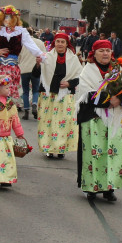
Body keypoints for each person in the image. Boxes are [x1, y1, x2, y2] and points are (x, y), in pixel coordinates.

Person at [75, 39, 122, 202]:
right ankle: (91, 187)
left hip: (115, 118)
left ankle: (109, 188)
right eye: (101, 51)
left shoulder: (119, 70)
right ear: (94, 54)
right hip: (93, 119)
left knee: (114, 153)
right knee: (95, 153)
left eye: (107, 50)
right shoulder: (88, 71)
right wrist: (108, 100)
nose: (105, 53)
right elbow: (87, 93)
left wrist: (121, 99)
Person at [37, 31, 81, 159]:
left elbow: (80, 77)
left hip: (65, 96)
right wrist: (38, 64)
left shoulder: (73, 59)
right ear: (54, 43)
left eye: (63, 42)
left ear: (67, 44)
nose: (60, 44)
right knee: (48, 123)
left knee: (64, 123)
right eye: (58, 41)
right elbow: (36, 75)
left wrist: (69, 83)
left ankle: (61, 148)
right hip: (48, 95)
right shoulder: (46, 57)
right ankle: (48, 148)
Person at [0, 4, 44, 91]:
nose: (7, 20)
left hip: (14, 67)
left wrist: (41, 55)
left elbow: (31, 45)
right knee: (0, 90)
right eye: (5, 17)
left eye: (10, 17)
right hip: (1, 66)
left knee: (11, 91)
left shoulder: (21, 31)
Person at [18, 32, 46, 120]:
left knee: (25, 90)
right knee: (36, 89)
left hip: (24, 69)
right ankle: (34, 103)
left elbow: (18, 57)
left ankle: (26, 111)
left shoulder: (22, 44)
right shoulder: (40, 43)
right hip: (36, 68)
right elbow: (44, 55)